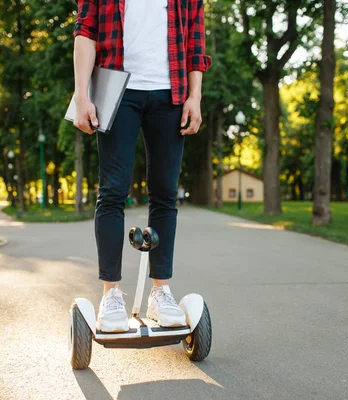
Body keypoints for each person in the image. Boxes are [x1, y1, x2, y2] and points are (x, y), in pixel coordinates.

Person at [73, 0, 211, 332]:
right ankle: (111, 293)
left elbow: (195, 41)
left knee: (165, 194)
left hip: (170, 93)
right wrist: (81, 95)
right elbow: (85, 31)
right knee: (112, 192)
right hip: (115, 88)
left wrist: (195, 96)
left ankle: (161, 292)